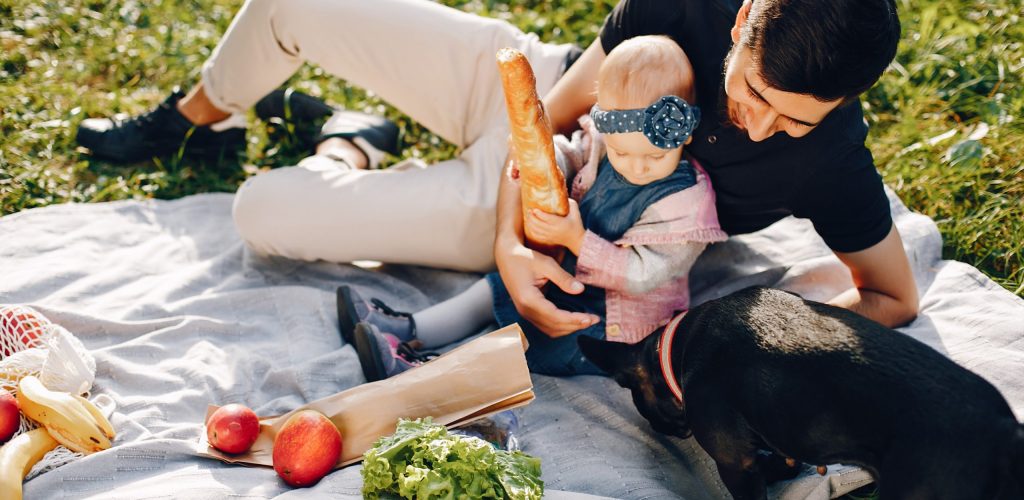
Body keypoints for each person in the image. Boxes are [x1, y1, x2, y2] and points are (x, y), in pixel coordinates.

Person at [75, 0, 918, 339]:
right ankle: (193, 120)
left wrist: (745, 338)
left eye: (796, 118)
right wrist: (510, 249)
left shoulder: (832, 161)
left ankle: (347, 141)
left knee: (260, 211)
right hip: (529, 100)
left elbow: (892, 295)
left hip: (563, 211)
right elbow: (553, 112)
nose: (760, 123)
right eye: (755, 92)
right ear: (742, 23)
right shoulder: (685, 0)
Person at [340, 36, 726, 380]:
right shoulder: (606, 147)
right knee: (494, 290)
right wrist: (547, 161)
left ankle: (425, 372)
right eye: (622, 152)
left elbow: (645, 274)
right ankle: (409, 328)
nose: (637, 166)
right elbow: (572, 152)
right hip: (565, 278)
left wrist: (578, 240)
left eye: (656, 156)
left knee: (528, 345)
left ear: (685, 133)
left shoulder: (685, 201)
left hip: (612, 325)